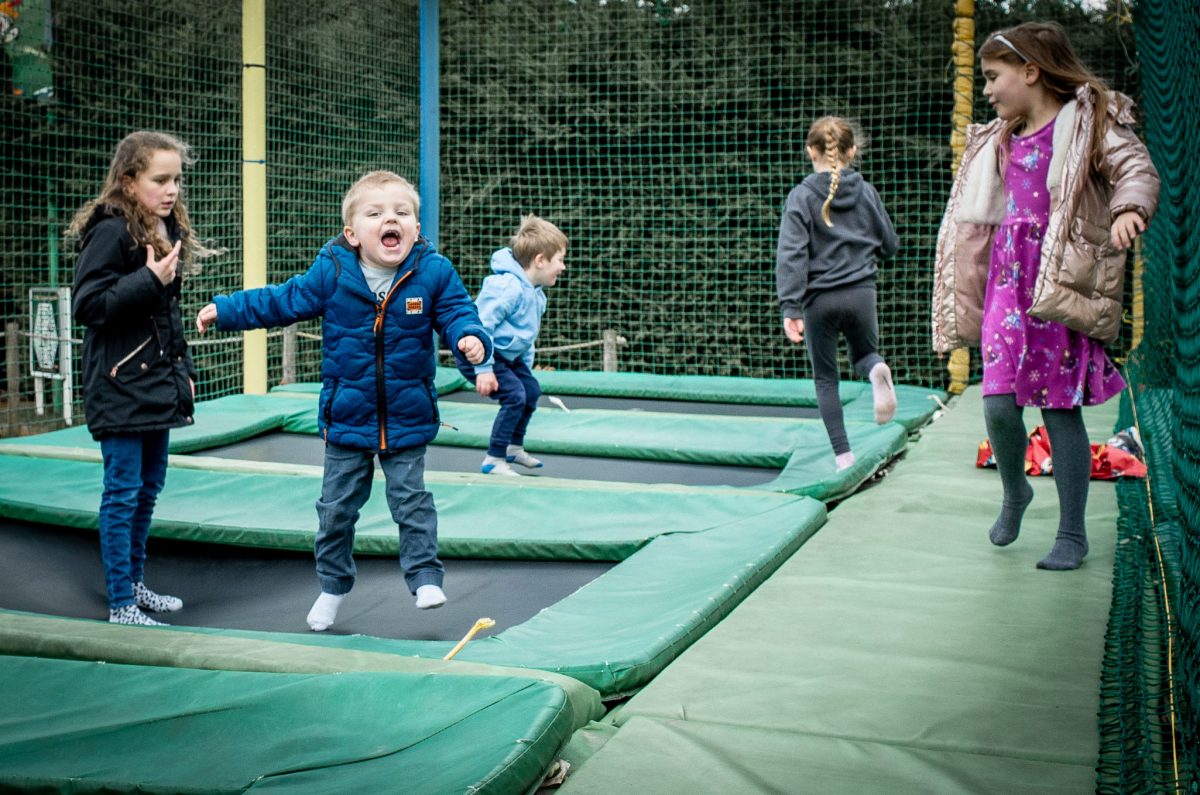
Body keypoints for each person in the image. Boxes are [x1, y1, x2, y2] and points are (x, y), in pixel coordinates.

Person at [196, 171, 491, 629]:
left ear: (416, 228)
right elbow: (283, 300)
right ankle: (332, 587)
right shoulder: (333, 272)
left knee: (412, 502)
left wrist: (472, 340)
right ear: (353, 234)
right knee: (335, 511)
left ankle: (425, 578)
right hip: (347, 416)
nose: (390, 219)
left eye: (402, 212)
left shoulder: (433, 272)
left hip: (406, 415)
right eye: (375, 214)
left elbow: (458, 313)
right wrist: (229, 309)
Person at [931, 22, 1160, 570]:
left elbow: (1135, 168)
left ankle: (1072, 533)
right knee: (997, 402)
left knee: (1060, 411)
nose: (985, 90)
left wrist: (1129, 207)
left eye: (993, 77)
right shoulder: (998, 137)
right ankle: (1016, 491)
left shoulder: (1087, 123)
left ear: (1031, 71)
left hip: (1060, 284)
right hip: (1009, 285)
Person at [69, 131, 215, 626]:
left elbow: (165, 317)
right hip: (118, 382)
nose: (172, 189)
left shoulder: (164, 226)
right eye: (160, 179)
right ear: (130, 182)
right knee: (124, 491)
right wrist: (149, 279)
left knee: (149, 488)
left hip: (155, 380)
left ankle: (133, 583)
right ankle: (120, 604)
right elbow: (88, 306)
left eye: (176, 179)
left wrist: (184, 372)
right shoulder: (110, 230)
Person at [776, 116, 900, 473]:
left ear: (810, 151)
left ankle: (843, 456)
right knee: (865, 354)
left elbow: (792, 254)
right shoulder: (866, 192)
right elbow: (890, 243)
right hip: (862, 293)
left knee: (826, 379)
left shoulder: (801, 196)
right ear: (853, 151)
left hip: (819, 301)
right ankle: (877, 369)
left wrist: (790, 305)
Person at [455, 214, 567, 476]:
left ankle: (513, 447)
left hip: (508, 358)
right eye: (560, 260)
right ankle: (494, 458)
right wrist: (483, 368)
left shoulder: (536, 294)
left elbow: (526, 337)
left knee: (530, 391)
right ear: (540, 260)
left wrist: (524, 370)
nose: (563, 267)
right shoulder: (507, 287)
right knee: (515, 396)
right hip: (478, 352)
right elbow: (480, 326)